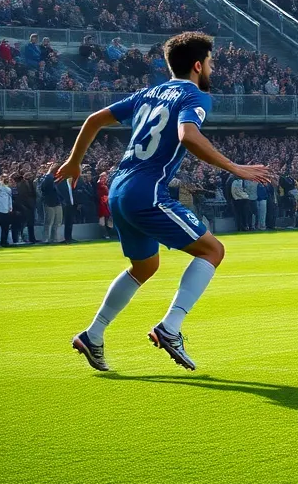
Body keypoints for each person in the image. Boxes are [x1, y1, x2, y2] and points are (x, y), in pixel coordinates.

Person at [61, 31, 274, 373]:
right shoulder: (195, 96)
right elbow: (187, 135)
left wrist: (74, 161)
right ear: (197, 65)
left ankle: (94, 334)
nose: (212, 68)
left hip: (120, 189)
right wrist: (235, 168)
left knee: (145, 267)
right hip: (147, 192)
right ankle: (170, 327)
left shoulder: (150, 92)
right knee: (212, 251)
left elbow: (94, 119)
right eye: (210, 62)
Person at [96, 171, 113, 239]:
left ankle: (107, 233)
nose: (105, 178)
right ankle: (105, 234)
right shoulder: (99, 184)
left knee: (108, 218)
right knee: (102, 218)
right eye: (104, 176)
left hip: (106, 202)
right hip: (102, 203)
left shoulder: (105, 184)